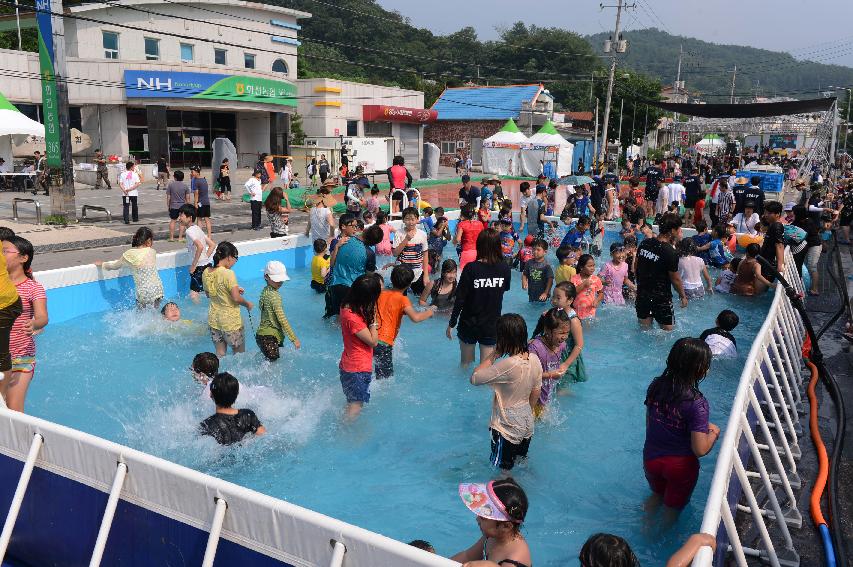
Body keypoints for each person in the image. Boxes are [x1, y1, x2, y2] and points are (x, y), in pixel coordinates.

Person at [644, 338, 720, 513]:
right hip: (680, 467)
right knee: (671, 511)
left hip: (651, 458)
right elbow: (700, 450)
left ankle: (645, 530)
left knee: (655, 497)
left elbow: (650, 422)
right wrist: (714, 433)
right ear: (700, 370)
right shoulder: (697, 403)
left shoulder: (656, 385)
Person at [470, 313, 542, 468]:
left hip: (507, 427)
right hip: (526, 423)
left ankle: (503, 488)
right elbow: (536, 391)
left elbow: (475, 378)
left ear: (502, 339)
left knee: (501, 469)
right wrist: (526, 414)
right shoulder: (535, 359)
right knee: (520, 462)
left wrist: (494, 354)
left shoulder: (509, 364)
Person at [448, 229, 511, 366]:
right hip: (491, 324)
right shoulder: (504, 268)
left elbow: (460, 299)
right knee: (486, 368)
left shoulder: (471, 268)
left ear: (479, 245)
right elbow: (505, 288)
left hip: (469, 323)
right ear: (497, 245)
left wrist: (452, 322)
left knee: (465, 364)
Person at [2, 237, 46, 413]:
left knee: (14, 410)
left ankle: (20, 441)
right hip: (1, 358)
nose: (1, 255)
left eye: (5, 251)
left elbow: (43, 316)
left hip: (21, 359)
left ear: (23, 258)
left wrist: (35, 323)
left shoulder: (33, 288)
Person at [452, 479, 531, 567]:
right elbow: (467, 556)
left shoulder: (515, 559)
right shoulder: (492, 536)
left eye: (483, 517)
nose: (477, 519)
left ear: (506, 526)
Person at [374, 266, 434, 379]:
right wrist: (429, 313)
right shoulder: (403, 299)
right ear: (409, 284)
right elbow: (415, 318)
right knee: (385, 379)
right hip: (384, 342)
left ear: (391, 280)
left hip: (371, 337)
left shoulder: (381, 294)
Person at [339, 273, 382, 419]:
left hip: (349, 365)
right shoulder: (353, 318)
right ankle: (346, 433)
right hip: (357, 369)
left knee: (352, 403)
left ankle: (345, 426)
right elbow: (373, 341)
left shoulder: (347, 306)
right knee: (356, 406)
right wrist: (374, 322)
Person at [635, 214, 688, 331]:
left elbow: (636, 266)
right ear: (672, 230)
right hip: (661, 299)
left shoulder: (645, 244)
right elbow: (675, 279)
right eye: (679, 228)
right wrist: (683, 296)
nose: (680, 231)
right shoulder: (670, 252)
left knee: (644, 331)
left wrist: (640, 284)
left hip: (642, 295)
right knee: (667, 333)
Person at [202, 242, 253, 356]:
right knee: (239, 355)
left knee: (220, 354)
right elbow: (236, 298)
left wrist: (232, 289)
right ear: (229, 257)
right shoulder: (228, 273)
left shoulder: (206, 272)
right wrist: (247, 304)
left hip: (214, 321)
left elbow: (209, 294)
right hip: (231, 323)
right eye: (236, 259)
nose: (235, 262)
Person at [95, 227, 164, 309]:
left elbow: (114, 266)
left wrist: (102, 264)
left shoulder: (129, 254)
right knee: (155, 313)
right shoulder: (152, 252)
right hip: (158, 290)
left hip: (144, 292)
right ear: (149, 241)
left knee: (140, 315)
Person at [325, 224, 382, 319]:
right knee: (346, 320)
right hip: (350, 289)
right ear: (373, 243)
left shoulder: (345, 240)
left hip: (334, 285)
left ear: (365, 230)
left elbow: (332, 263)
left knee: (334, 317)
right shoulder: (369, 253)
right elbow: (369, 277)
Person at [199, 372, 266, 445]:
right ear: (237, 394)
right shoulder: (248, 415)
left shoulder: (206, 425)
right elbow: (263, 436)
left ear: (211, 394)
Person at [255, 260, 300, 362]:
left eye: (281, 280)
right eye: (277, 279)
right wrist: (294, 338)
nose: (279, 282)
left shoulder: (265, 291)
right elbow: (282, 318)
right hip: (270, 338)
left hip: (262, 337)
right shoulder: (275, 296)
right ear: (266, 276)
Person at [178, 204, 216, 302]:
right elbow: (212, 245)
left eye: (182, 215)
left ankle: (198, 315)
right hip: (207, 265)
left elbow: (200, 246)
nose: (179, 218)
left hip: (199, 267)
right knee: (208, 293)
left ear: (190, 218)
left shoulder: (189, 232)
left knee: (194, 294)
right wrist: (205, 257)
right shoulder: (197, 228)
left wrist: (194, 265)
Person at [392, 207, 430, 297]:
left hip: (418, 273)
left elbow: (425, 255)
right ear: (403, 220)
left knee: (419, 298)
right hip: (402, 275)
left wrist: (426, 275)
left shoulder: (422, 234)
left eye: (413, 219)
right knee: (400, 300)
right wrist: (406, 239)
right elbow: (395, 253)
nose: (410, 222)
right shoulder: (399, 234)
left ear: (417, 219)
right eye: (407, 219)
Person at [791, 204, 822, 296]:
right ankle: (799, 285)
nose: (792, 213)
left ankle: (815, 289)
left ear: (798, 213)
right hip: (806, 246)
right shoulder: (798, 221)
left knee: (812, 266)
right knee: (800, 264)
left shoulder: (808, 222)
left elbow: (801, 235)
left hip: (814, 246)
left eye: (793, 212)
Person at [571, 254, 604, 320]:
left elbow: (601, 293)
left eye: (593, 265)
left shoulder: (596, 279)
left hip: (590, 311)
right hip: (576, 311)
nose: (593, 268)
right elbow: (572, 293)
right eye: (589, 266)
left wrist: (597, 300)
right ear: (581, 267)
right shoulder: (574, 278)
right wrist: (583, 285)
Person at [758, 201, 785, 280]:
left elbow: (779, 245)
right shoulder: (772, 225)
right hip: (765, 262)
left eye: (769, 213)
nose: (766, 215)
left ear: (778, 214)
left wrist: (780, 266)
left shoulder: (777, 226)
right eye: (765, 212)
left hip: (768, 265)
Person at [455, 205, 485, 272]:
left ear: (462, 214)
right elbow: (484, 238)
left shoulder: (462, 224)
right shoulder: (480, 224)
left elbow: (457, 239)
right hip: (479, 253)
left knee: (464, 276)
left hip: (467, 253)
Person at [166, 170, 190, 242]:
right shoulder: (185, 186)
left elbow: (168, 197)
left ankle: (171, 238)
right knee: (182, 222)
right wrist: (188, 206)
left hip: (173, 205)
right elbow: (187, 198)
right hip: (182, 206)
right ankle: (180, 238)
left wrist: (168, 206)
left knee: (173, 221)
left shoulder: (171, 185)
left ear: (175, 177)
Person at [190, 166, 213, 238]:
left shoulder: (196, 181)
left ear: (197, 172)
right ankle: (209, 235)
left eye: (192, 172)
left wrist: (195, 203)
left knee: (199, 219)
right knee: (207, 219)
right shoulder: (204, 179)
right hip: (207, 202)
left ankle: (199, 235)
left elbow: (196, 193)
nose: (191, 173)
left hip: (200, 203)